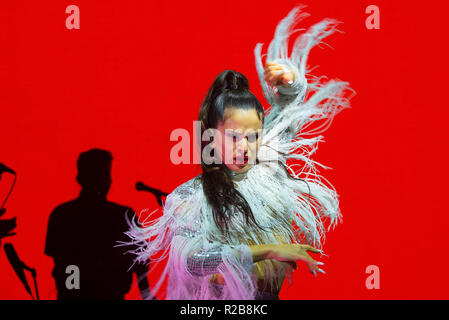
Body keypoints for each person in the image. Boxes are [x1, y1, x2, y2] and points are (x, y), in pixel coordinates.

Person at [124, 6, 351, 300]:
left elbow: (290, 110)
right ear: (211, 136)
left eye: (253, 136)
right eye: (232, 137)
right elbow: (192, 262)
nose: (243, 147)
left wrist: (290, 82)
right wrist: (268, 250)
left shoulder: (267, 172)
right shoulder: (190, 198)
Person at [45, 149, 152, 299]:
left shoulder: (63, 214)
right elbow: (64, 263)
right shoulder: (64, 215)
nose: (103, 180)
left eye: (105, 174)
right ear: (81, 178)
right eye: (97, 175)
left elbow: (140, 263)